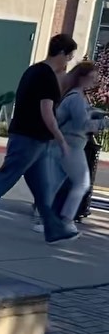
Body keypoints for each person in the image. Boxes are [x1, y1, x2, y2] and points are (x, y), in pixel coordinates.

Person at [0, 33, 79, 243]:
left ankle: (53, 229)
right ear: (62, 53)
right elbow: (47, 112)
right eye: (70, 56)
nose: (69, 60)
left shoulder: (33, 70)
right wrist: (61, 140)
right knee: (6, 177)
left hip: (32, 137)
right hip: (30, 138)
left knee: (42, 188)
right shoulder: (46, 76)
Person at [47, 60, 108, 223]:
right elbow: (82, 124)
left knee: (54, 185)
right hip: (71, 145)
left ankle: (44, 219)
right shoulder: (76, 98)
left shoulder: (74, 95)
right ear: (81, 78)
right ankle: (65, 220)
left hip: (61, 144)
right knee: (82, 183)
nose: (94, 81)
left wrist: (94, 113)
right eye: (91, 78)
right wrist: (104, 123)